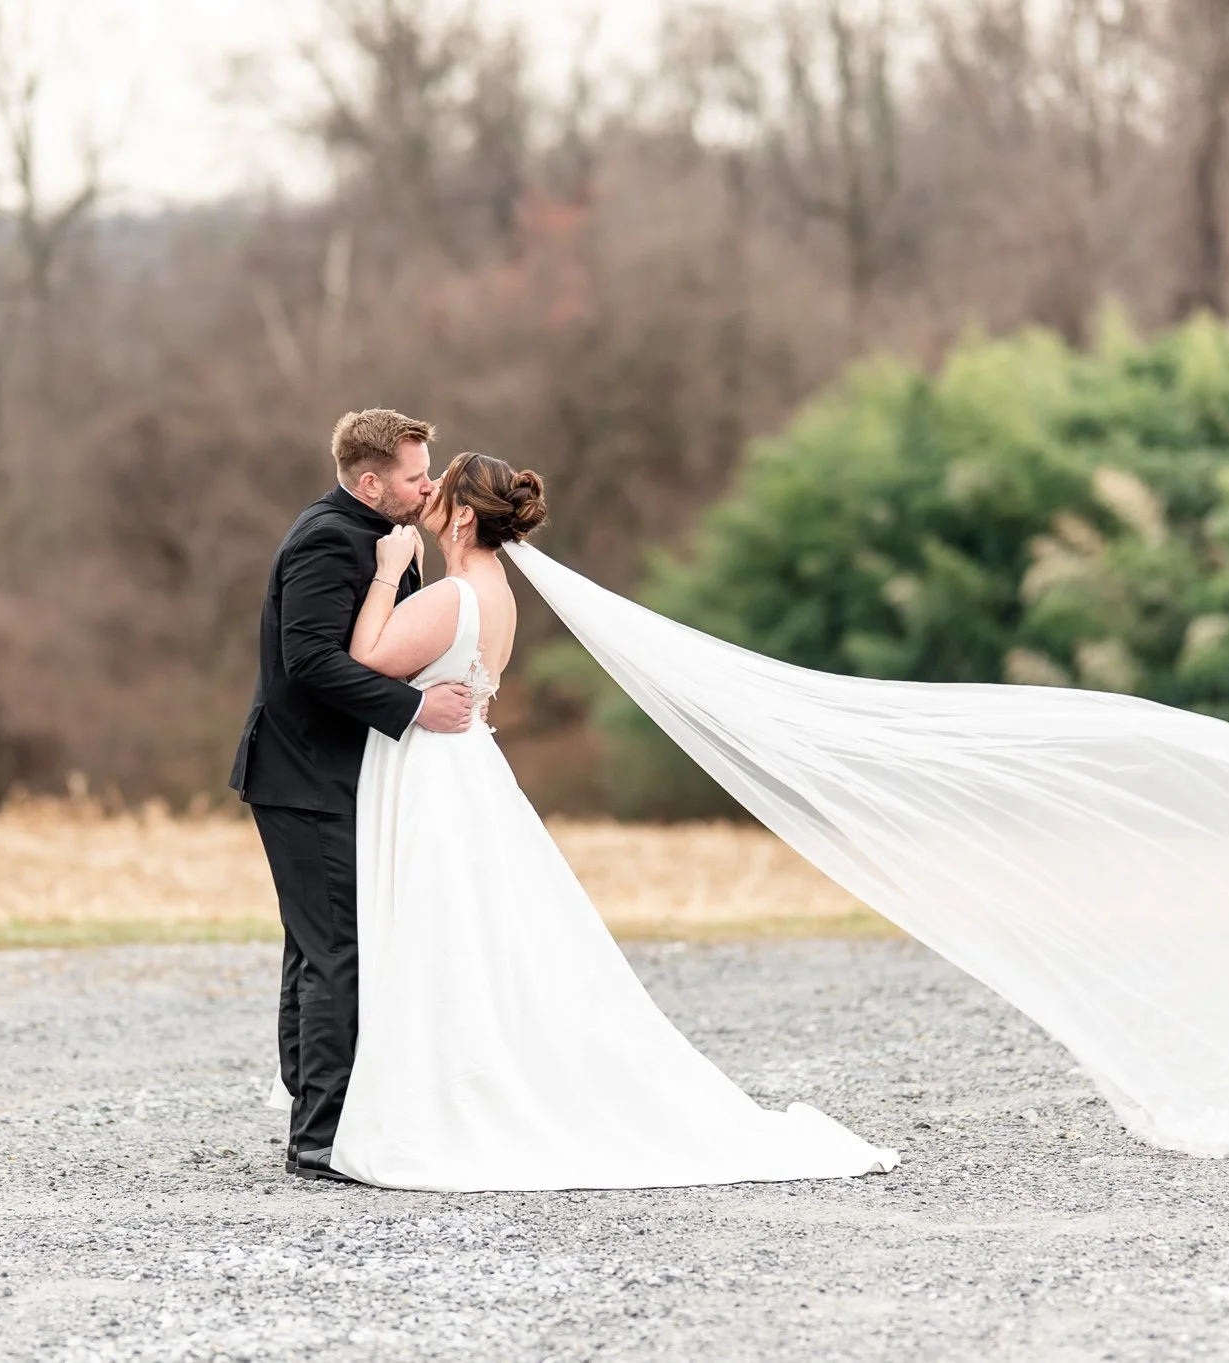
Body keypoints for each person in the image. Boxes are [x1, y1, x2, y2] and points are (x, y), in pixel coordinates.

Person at [322, 451, 898, 1190]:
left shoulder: (452, 595)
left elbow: (364, 656)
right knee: (470, 928)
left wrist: (384, 568)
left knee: (441, 927)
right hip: (467, 770)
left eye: (444, 486)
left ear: (464, 516)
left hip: (437, 777)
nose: (427, 494)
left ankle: (436, 1098)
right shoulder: (497, 593)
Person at [229, 410, 479, 1182]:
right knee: (336, 947)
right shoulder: (328, 538)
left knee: (318, 946)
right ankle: (321, 1135)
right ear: (369, 482)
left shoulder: (382, 535)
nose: (428, 483)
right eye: (414, 475)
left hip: (329, 773)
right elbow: (306, 661)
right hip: (302, 776)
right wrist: (413, 710)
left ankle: (317, 1117)